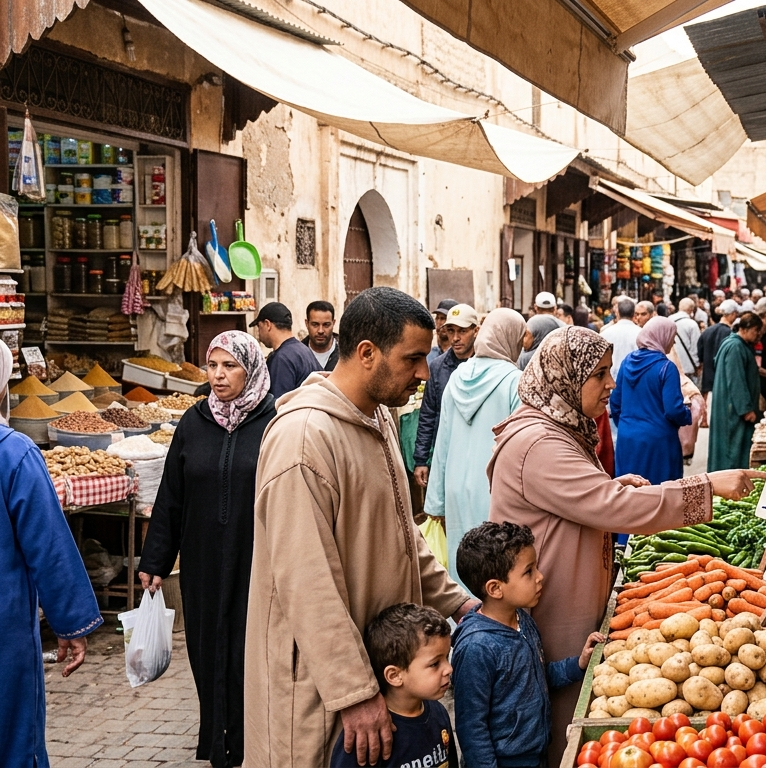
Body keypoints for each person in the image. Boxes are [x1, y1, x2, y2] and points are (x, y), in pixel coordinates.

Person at [487, 327, 766, 763]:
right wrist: (706, 487)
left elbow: (579, 498)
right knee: (561, 724)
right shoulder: (539, 442)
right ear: (566, 377)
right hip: (555, 606)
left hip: (570, 597)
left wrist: (607, 485)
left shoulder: (556, 427)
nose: (611, 385)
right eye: (599, 374)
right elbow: (615, 508)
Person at [245, 287, 471, 767]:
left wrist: (457, 601)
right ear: (367, 353)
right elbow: (307, 583)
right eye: (413, 358)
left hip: (379, 670)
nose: (424, 373)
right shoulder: (304, 439)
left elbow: (401, 531)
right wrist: (353, 692)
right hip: (321, 687)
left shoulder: (378, 418)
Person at [139, 331, 277, 768]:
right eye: (212, 365)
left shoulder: (274, 422)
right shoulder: (194, 422)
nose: (218, 376)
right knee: (206, 651)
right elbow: (171, 496)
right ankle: (218, 742)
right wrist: (156, 560)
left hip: (255, 560)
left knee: (247, 652)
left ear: (250, 368)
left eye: (229, 366)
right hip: (202, 564)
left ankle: (249, 741)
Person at [0, 349, 101, 768]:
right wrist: (71, 623)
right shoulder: (14, 454)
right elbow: (48, 546)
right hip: (4, 635)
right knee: (12, 738)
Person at [451, 522, 605, 768]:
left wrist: (577, 664)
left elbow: (536, 677)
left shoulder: (523, 619)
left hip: (536, 755)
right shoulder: (476, 647)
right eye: (529, 572)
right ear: (495, 588)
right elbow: (471, 726)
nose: (540, 576)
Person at [425, 309, 526, 591]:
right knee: (495, 567)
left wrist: (435, 502)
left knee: (464, 562)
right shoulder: (514, 381)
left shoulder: (457, 377)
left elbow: (441, 440)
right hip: (495, 489)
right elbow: (518, 447)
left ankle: (464, 625)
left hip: (455, 486)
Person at [330, 604, 456, 768]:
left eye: (446, 657)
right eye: (434, 664)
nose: (448, 669)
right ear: (395, 676)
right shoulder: (371, 733)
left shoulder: (439, 713)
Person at [612, 317, 692, 484]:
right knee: (660, 495)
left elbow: (615, 402)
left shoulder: (627, 362)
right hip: (658, 443)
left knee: (630, 493)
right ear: (662, 336)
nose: (673, 341)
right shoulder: (666, 367)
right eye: (672, 336)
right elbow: (673, 409)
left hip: (628, 439)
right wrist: (687, 413)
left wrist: (629, 425)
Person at [413, 304, 479, 488]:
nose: (455, 338)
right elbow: (428, 415)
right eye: (451, 331)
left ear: (476, 331)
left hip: (479, 454)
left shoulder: (486, 365)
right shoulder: (437, 367)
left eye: (462, 331)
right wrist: (421, 460)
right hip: (447, 453)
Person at [708, 311, 766, 471]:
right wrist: (746, 409)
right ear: (746, 329)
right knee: (732, 451)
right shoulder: (735, 346)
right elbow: (736, 380)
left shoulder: (735, 344)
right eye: (756, 331)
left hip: (731, 408)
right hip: (733, 411)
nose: (757, 336)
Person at [253, 301, 320, 399]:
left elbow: (279, 404)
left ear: (267, 324)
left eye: (259, 326)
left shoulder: (281, 359)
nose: (258, 333)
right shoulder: (304, 350)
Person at [697, 299, 739, 396]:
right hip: (723, 384)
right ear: (732, 314)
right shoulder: (731, 335)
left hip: (707, 385)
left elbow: (700, 356)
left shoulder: (707, 332)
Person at [601, 298, 641, 380]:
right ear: (634, 314)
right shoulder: (641, 334)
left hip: (610, 381)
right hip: (633, 381)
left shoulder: (605, 333)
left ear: (617, 313)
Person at [669, 297, 702, 384]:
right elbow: (695, 347)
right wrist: (696, 365)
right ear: (692, 309)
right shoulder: (692, 324)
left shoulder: (668, 320)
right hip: (687, 368)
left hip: (670, 365)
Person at [304, 300, 340, 372]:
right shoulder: (297, 354)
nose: (320, 331)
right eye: (315, 324)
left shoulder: (347, 353)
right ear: (307, 323)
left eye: (326, 325)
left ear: (333, 323)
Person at [428, 298, 458, 363]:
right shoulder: (429, 355)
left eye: (444, 318)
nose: (439, 322)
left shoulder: (460, 354)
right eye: (437, 318)